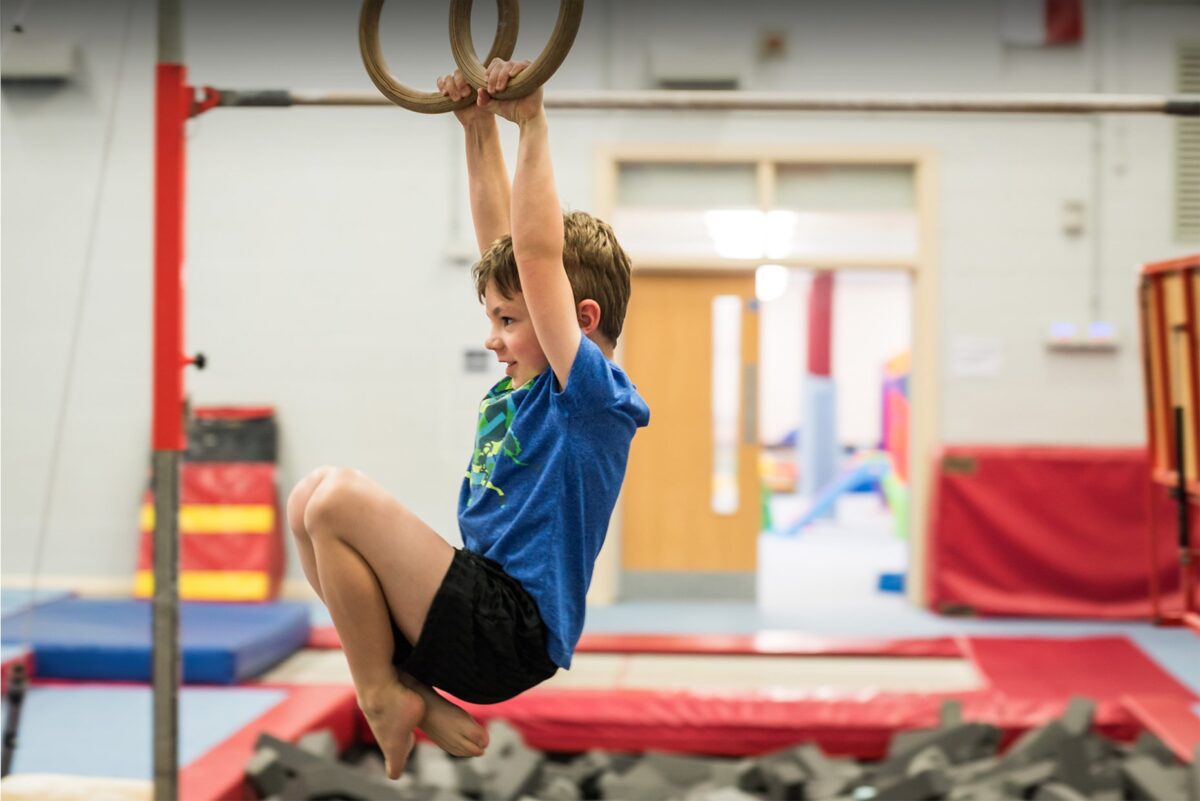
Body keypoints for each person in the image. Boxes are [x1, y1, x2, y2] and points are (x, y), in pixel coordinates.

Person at [286, 58, 650, 780]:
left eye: (509, 320)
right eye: (494, 317)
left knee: (338, 499)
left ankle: (383, 692)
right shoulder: (531, 382)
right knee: (309, 500)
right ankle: (402, 688)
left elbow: (539, 257)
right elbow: (506, 246)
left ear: (578, 320)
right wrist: (477, 128)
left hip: (513, 628)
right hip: (478, 603)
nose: (492, 337)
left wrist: (533, 123)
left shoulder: (591, 399)